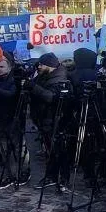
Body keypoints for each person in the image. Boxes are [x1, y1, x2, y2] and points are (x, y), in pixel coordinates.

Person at [29, 53, 71, 190]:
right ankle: (51, 176)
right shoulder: (42, 76)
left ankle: (64, 179)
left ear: (50, 66)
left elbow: (50, 97)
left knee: (60, 150)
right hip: (43, 120)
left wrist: (32, 87)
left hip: (55, 120)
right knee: (50, 151)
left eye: (41, 64)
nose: (39, 67)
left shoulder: (59, 78)